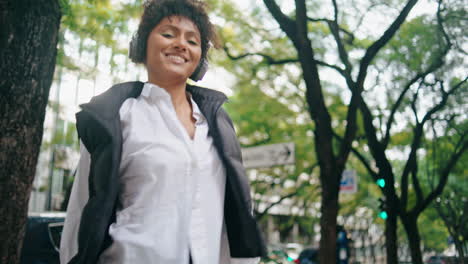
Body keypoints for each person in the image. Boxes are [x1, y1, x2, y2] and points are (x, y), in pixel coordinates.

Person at [59, 0, 266, 263]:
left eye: (193, 40)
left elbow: (236, 205)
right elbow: (81, 207)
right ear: (143, 43)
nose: (181, 44)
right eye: (168, 34)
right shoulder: (114, 115)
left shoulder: (217, 122)